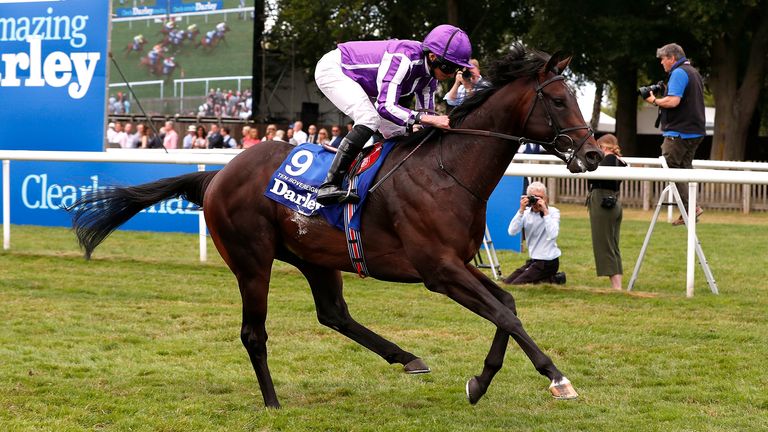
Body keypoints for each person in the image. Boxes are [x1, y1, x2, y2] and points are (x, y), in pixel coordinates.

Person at [313, 24, 473, 205]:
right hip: (335, 69)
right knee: (369, 118)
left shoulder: (430, 79)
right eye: (449, 68)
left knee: (398, 131)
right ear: (433, 56)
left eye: (456, 69)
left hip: (363, 84)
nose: (452, 75)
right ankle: (329, 185)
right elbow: (385, 106)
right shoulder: (403, 57)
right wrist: (425, 119)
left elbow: (426, 117)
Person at [644, 43, 705, 226]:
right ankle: (691, 207)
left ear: (672, 58)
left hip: (679, 132)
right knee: (685, 171)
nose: (662, 63)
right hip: (694, 131)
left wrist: (653, 100)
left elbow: (673, 101)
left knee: (670, 166)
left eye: (663, 59)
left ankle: (691, 208)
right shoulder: (693, 72)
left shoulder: (679, 73)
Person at [503, 181, 566, 285]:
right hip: (534, 261)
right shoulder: (525, 213)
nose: (537, 201)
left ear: (545, 198)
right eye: (534, 198)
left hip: (548, 262)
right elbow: (512, 231)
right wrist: (521, 210)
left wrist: (545, 212)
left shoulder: (553, 212)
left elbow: (553, 234)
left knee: (517, 284)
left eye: (540, 198)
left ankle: (554, 279)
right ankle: (551, 278)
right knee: (508, 282)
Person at [587, 134, 627, 290]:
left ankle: (616, 286)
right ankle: (617, 285)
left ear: (603, 146)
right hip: (614, 201)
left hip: (602, 201)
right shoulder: (620, 160)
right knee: (613, 244)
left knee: (604, 245)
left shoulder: (606, 160)